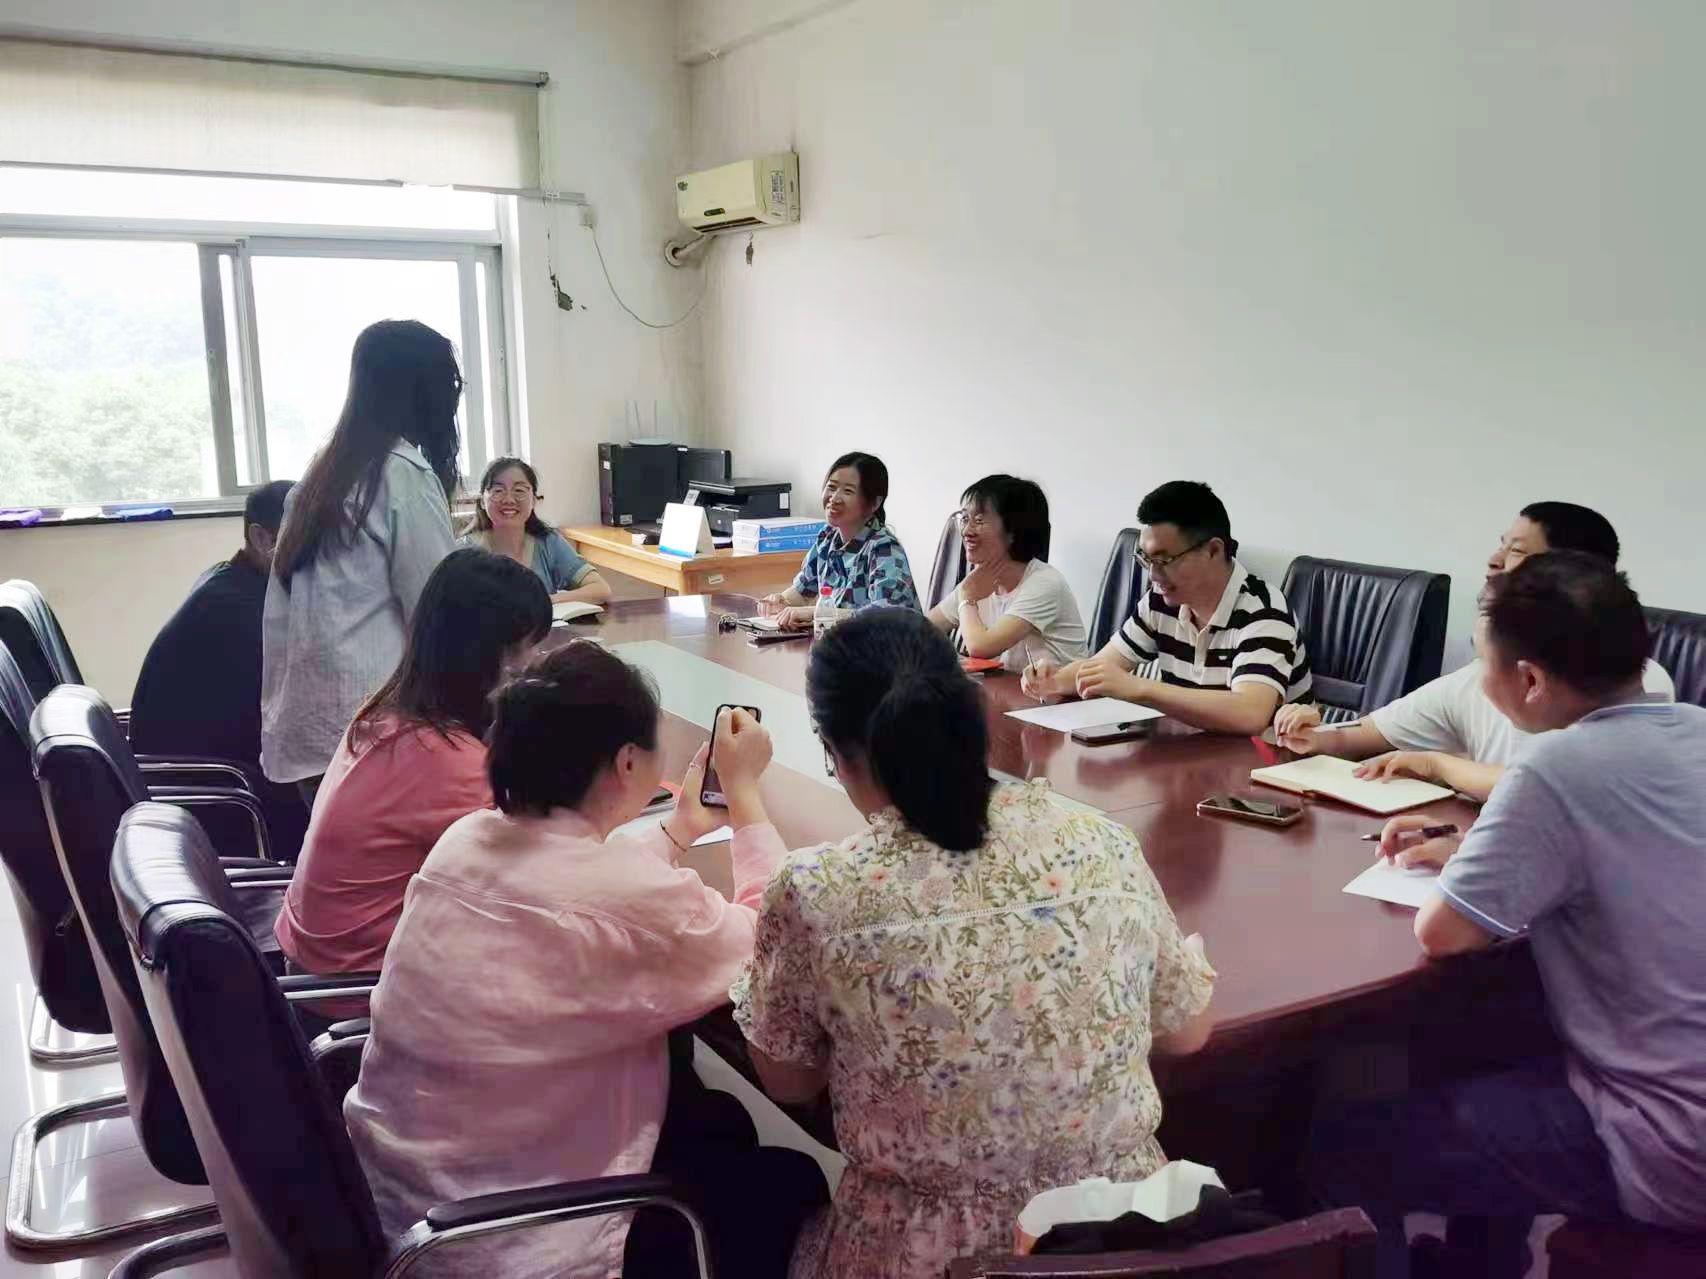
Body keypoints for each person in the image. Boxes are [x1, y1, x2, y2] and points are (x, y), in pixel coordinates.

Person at [733, 609, 1217, 1279]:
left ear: (837, 752)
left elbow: (790, 1079)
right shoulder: (1100, 841)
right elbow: (1187, 1031)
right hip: (1121, 1248)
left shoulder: (819, 890)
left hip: (922, 1256)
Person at [343, 641, 827, 1278]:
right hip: (508, 1243)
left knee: (717, 1120)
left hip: (397, 1204)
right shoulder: (618, 898)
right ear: (628, 762)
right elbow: (773, 940)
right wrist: (744, 797)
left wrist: (680, 829)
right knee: (790, 1183)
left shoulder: (465, 840)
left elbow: (588, 895)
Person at [1307, 551, 1706, 1279]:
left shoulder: (1556, 767)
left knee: (1344, 1149)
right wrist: (1476, 849)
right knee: (1492, 1044)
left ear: (1529, 681)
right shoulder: (1696, 729)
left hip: (1666, 1141)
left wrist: (1479, 859)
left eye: (1481, 661)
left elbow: (1443, 932)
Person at [273, 548, 550, 984]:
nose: (527, 664)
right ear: (480, 653)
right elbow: (542, 876)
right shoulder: (447, 759)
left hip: (314, 960)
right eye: (521, 649)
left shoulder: (387, 715)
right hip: (358, 983)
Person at [1274, 501, 1676, 801]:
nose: (1494, 561)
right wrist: (1315, 734)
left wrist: (1438, 765)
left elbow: (1555, 786)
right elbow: (1369, 731)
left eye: (1517, 551)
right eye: (1502, 546)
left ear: (1570, 575)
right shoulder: (1482, 676)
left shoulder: (1630, 680)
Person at [261, 319, 461, 808]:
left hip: (313, 731)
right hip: (371, 733)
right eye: (449, 382)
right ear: (420, 389)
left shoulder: (326, 471)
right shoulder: (401, 473)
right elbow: (439, 614)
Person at [1022, 480, 1312, 735]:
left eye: (1164, 560)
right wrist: (1053, 679)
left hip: (1264, 767)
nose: (1153, 575)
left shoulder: (1264, 611)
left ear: (1213, 550)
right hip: (1190, 755)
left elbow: (1250, 713)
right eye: (1146, 560)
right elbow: (1101, 669)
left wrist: (1140, 688)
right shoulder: (1162, 600)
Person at [129, 481, 308, 860]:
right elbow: (289, 712)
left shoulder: (231, 580)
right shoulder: (235, 611)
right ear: (262, 539)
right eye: (312, 540)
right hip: (213, 790)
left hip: (207, 772)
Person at [928, 474, 1089, 672]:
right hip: (1007, 688)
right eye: (965, 519)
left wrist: (967, 599)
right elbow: (920, 629)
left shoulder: (1045, 583)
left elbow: (980, 648)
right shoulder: (980, 579)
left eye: (979, 520)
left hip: (1061, 692)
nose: (966, 531)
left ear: (1013, 531)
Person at [760, 451, 920, 628]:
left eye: (848, 491)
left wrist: (818, 613)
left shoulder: (884, 549)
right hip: (840, 642)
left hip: (888, 645)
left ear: (874, 503)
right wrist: (781, 601)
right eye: (831, 487)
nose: (834, 498)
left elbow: (886, 615)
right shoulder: (827, 538)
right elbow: (803, 590)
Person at [459, 455, 612, 606]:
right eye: (498, 491)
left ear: (533, 499)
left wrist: (546, 602)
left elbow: (600, 590)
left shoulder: (547, 542)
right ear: (482, 501)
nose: (509, 500)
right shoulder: (464, 551)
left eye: (519, 490)